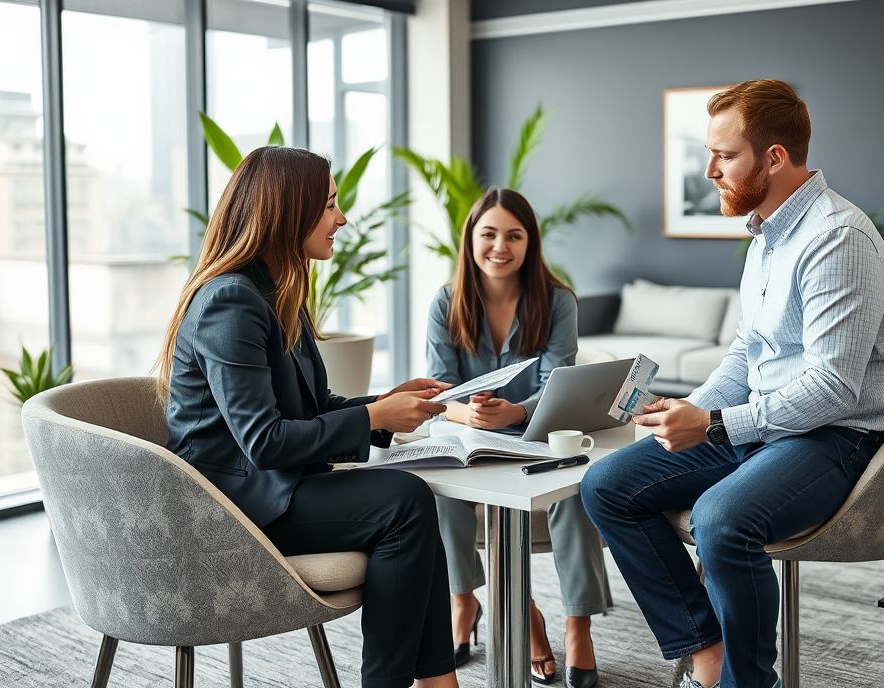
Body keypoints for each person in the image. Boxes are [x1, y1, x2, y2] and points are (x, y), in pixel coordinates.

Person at [580, 80, 884, 688]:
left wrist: (716, 424)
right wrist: (692, 408)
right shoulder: (765, 235)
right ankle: (708, 657)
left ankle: (748, 681)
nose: (709, 170)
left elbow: (833, 388)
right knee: (606, 483)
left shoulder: (839, 238)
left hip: (831, 438)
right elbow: (747, 352)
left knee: (721, 519)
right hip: (759, 424)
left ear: (775, 157)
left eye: (725, 156)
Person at [157, 146, 459, 688]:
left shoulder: (276, 293)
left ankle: (439, 683)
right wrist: (372, 418)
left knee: (409, 500)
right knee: (404, 502)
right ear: (287, 212)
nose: (341, 219)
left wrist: (383, 407)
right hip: (227, 508)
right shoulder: (231, 300)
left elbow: (310, 410)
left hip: (269, 486)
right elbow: (266, 442)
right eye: (329, 205)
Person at [425, 188, 612, 688]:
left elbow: (559, 382)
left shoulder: (558, 301)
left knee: (577, 492)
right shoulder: (446, 301)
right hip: (470, 440)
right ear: (470, 240)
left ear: (531, 242)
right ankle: (464, 600)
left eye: (514, 234)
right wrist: (467, 413)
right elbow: (439, 387)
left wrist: (515, 409)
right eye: (488, 234)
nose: (500, 246)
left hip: (538, 439)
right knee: (438, 487)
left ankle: (578, 627)